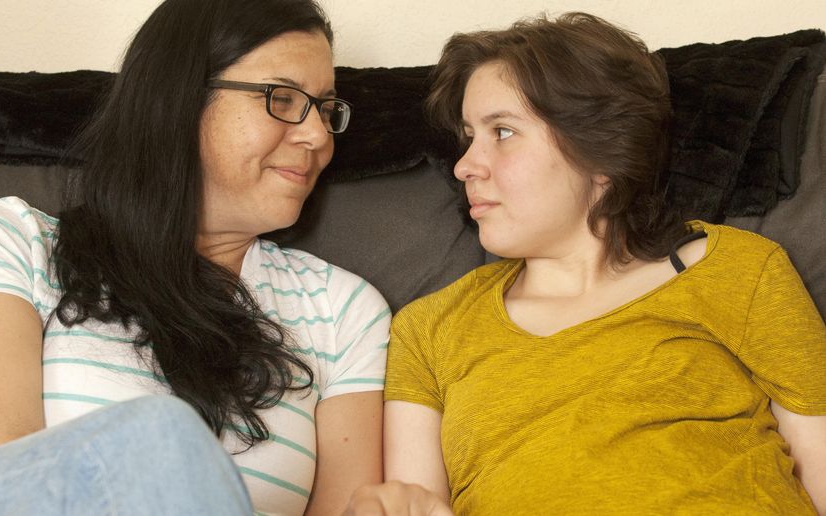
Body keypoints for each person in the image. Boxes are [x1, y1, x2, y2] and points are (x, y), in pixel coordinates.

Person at [345, 12, 826, 515]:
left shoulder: (737, 269)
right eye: (469, 137)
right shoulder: (429, 330)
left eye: (503, 132)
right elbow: (414, 503)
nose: (465, 165)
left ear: (603, 150)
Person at [0, 0, 389, 514]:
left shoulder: (343, 309)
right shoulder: (15, 242)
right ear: (177, 101)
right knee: (162, 435)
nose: (316, 135)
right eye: (282, 98)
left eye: (326, 109)